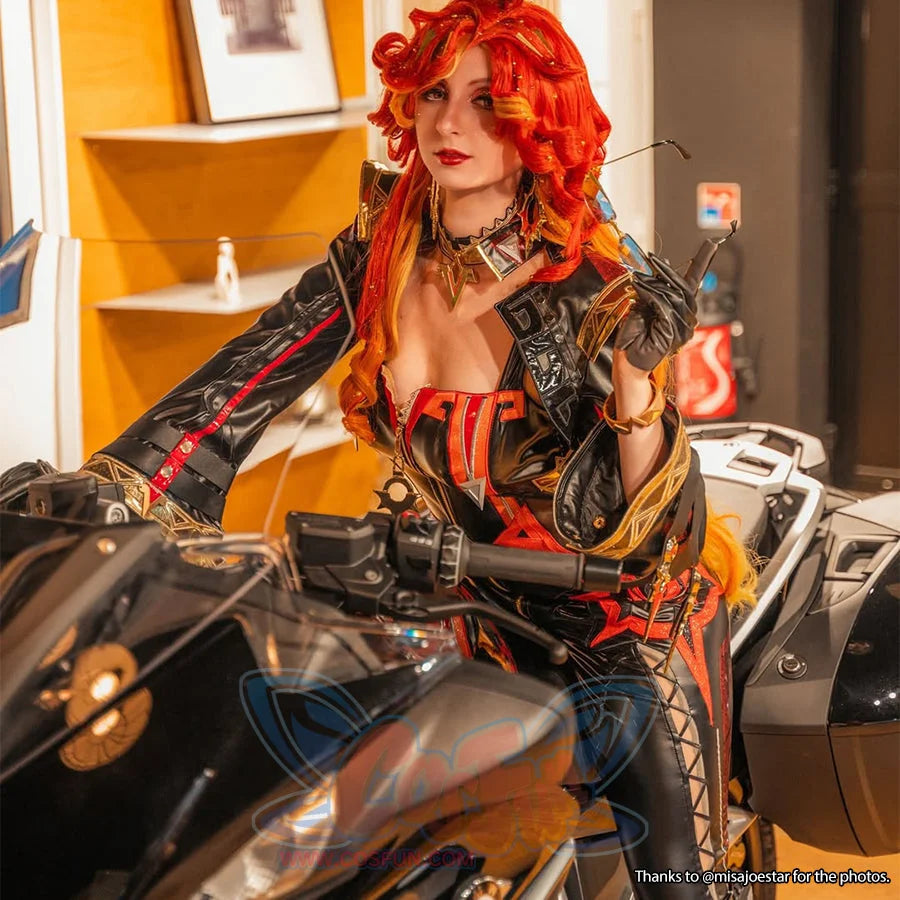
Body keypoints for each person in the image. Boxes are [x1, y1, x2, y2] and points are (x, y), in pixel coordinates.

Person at [80, 1, 756, 895]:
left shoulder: (589, 277)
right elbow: (237, 385)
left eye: (487, 102)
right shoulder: (386, 245)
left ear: (537, 120)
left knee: (679, 881)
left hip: (612, 613)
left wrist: (637, 380)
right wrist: (106, 491)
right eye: (435, 93)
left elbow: (658, 534)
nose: (448, 124)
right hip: (446, 593)